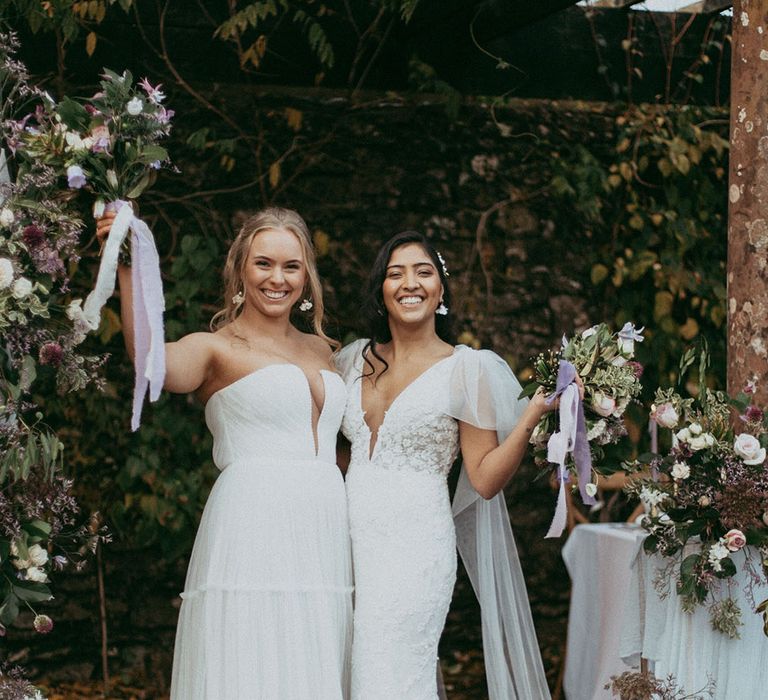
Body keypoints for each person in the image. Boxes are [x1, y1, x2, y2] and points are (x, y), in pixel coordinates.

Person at [96, 206, 352, 699]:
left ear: (306, 277)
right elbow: (151, 364)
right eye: (263, 264)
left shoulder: (326, 351)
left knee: (314, 655)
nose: (277, 278)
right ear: (240, 268)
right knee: (254, 656)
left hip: (325, 526)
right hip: (253, 523)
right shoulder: (215, 348)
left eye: (291, 266)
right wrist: (126, 264)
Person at [334, 231, 565, 700]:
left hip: (415, 551)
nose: (409, 283)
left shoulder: (466, 369)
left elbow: (483, 479)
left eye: (423, 272)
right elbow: (331, 446)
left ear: (441, 290)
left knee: (389, 675)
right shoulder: (350, 360)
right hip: (344, 544)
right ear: (381, 289)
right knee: (344, 670)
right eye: (395, 273)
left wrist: (529, 418)